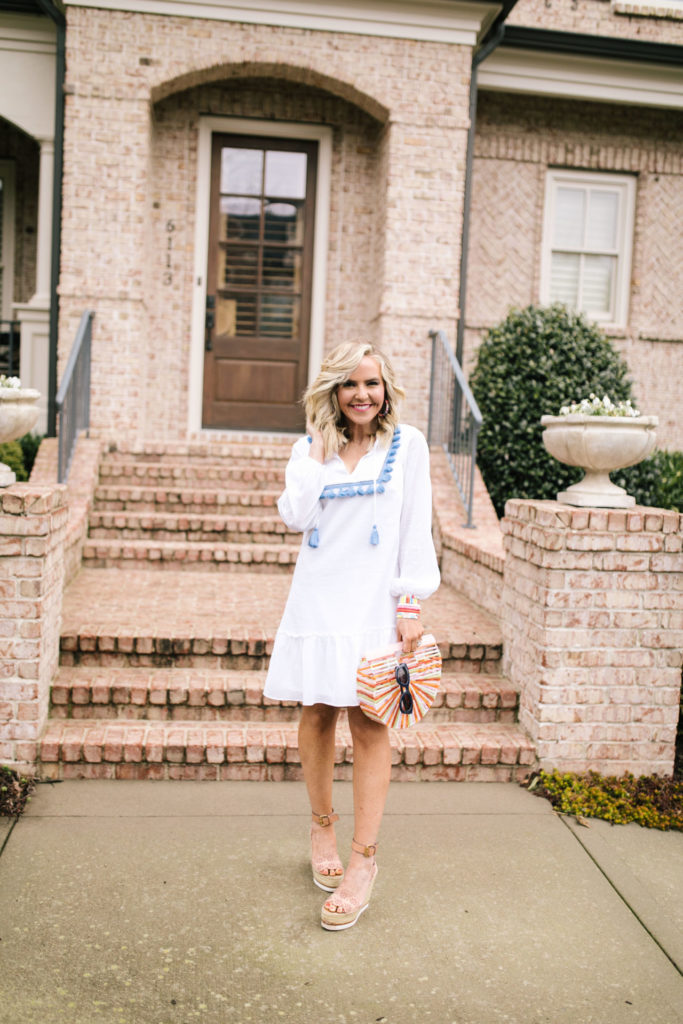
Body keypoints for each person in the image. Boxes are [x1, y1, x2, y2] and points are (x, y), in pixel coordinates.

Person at [263, 341, 440, 930]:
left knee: (369, 722)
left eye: (372, 383)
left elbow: (415, 525)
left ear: (385, 389)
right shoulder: (309, 451)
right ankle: (322, 831)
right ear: (332, 391)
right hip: (319, 599)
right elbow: (295, 516)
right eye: (349, 384)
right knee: (316, 713)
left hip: (374, 604)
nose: (362, 394)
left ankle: (363, 861)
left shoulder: (407, 445)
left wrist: (409, 601)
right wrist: (318, 448)